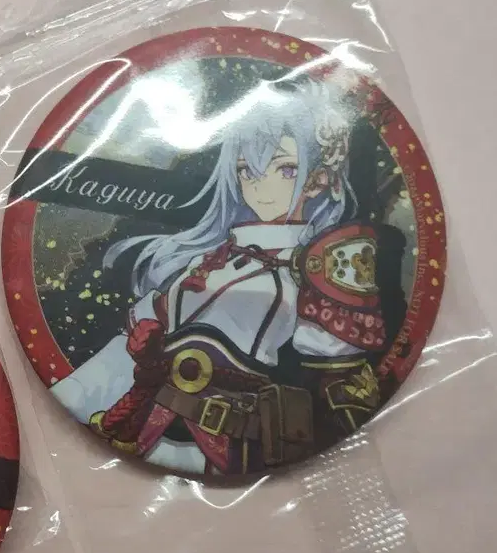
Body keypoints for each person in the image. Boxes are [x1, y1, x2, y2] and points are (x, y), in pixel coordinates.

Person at [52, 80, 387, 476]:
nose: (260, 185)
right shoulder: (208, 260)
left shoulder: (320, 270)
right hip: (144, 431)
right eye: (246, 170)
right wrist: (75, 395)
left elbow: (340, 389)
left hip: (229, 449)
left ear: (318, 179)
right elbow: (125, 352)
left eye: (285, 169)